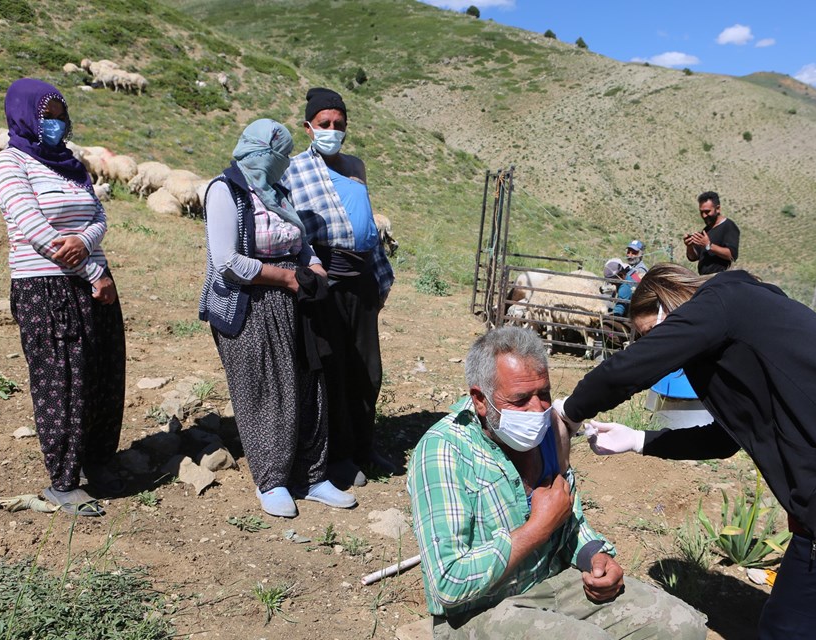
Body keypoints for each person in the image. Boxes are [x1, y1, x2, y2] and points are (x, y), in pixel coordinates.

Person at [555, 263, 816, 639]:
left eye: (649, 332)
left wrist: (570, 412)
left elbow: (630, 368)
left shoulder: (724, 301)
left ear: (666, 307)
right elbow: (724, 439)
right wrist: (638, 440)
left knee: (790, 630)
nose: (653, 344)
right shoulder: (745, 330)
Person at [407, 326, 707, 639]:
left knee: (681, 626)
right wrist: (537, 529)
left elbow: (570, 519)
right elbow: (448, 584)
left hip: (553, 585)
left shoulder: (547, 431)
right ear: (481, 400)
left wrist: (595, 556)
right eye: (521, 399)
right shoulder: (444, 452)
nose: (537, 409)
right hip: (480, 611)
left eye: (544, 394)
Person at [199, 118, 355, 517]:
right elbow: (227, 261)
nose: (285, 163)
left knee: (308, 382)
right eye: (280, 155)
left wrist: (313, 265)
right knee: (267, 390)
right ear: (261, 154)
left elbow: (299, 242)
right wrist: (287, 277)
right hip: (251, 304)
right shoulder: (225, 190)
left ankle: (313, 475)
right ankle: (272, 480)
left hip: (294, 301)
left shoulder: (278, 191)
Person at [0, 78, 125, 516]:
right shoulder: (9, 164)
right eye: (47, 115)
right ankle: (63, 482)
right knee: (62, 380)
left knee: (103, 371)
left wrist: (88, 244)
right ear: (26, 115)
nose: (56, 123)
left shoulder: (71, 163)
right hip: (46, 286)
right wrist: (88, 269)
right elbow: (33, 228)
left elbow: (99, 213)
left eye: (61, 115)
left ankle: (98, 459)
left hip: (94, 278)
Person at [283, 88, 395, 488]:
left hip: (362, 277)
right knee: (333, 368)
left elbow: (363, 219)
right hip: (326, 277)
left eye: (339, 125)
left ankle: (365, 446)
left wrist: (377, 274)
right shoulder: (294, 170)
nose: (332, 130)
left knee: (368, 370)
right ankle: (336, 456)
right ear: (309, 127)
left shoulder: (355, 166)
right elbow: (292, 224)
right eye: (324, 124)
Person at [683, 191, 739, 274]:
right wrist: (689, 246)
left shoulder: (728, 226)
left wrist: (708, 245)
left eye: (707, 211)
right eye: (701, 212)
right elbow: (693, 257)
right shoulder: (706, 230)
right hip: (704, 279)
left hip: (719, 279)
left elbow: (731, 255)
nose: (704, 216)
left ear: (718, 209)